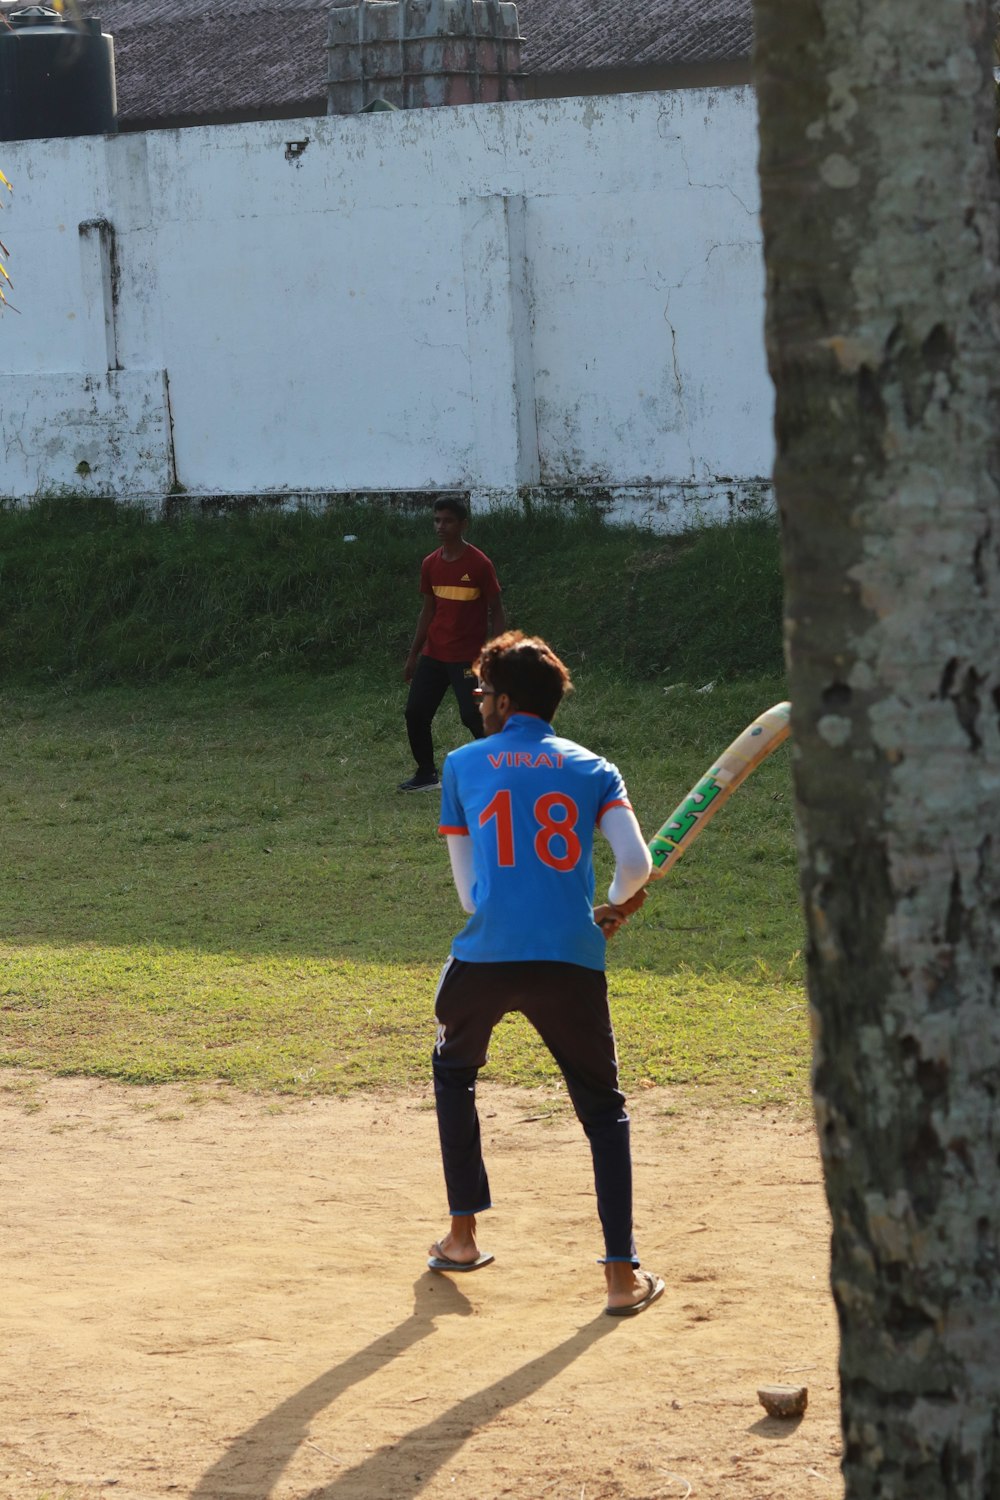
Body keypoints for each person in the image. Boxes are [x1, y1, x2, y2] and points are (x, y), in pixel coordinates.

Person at [427, 631, 664, 1317]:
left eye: (481, 691)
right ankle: (621, 1278)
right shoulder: (596, 769)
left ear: (504, 700)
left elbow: (471, 897)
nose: (477, 700)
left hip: (486, 956)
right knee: (603, 1108)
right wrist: (616, 907)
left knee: (454, 1074)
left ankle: (463, 1237)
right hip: (571, 957)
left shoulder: (463, 764)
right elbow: (637, 865)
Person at [399, 498, 506, 793]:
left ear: (463, 525)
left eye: (447, 521)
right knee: (416, 713)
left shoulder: (479, 564)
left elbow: (496, 609)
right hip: (434, 654)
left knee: (473, 716)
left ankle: (502, 769)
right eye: (436, 520)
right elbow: (428, 611)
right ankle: (426, 774)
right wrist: (413, 655)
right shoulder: (430, 564)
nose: (440, 526)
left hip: (467, 658)